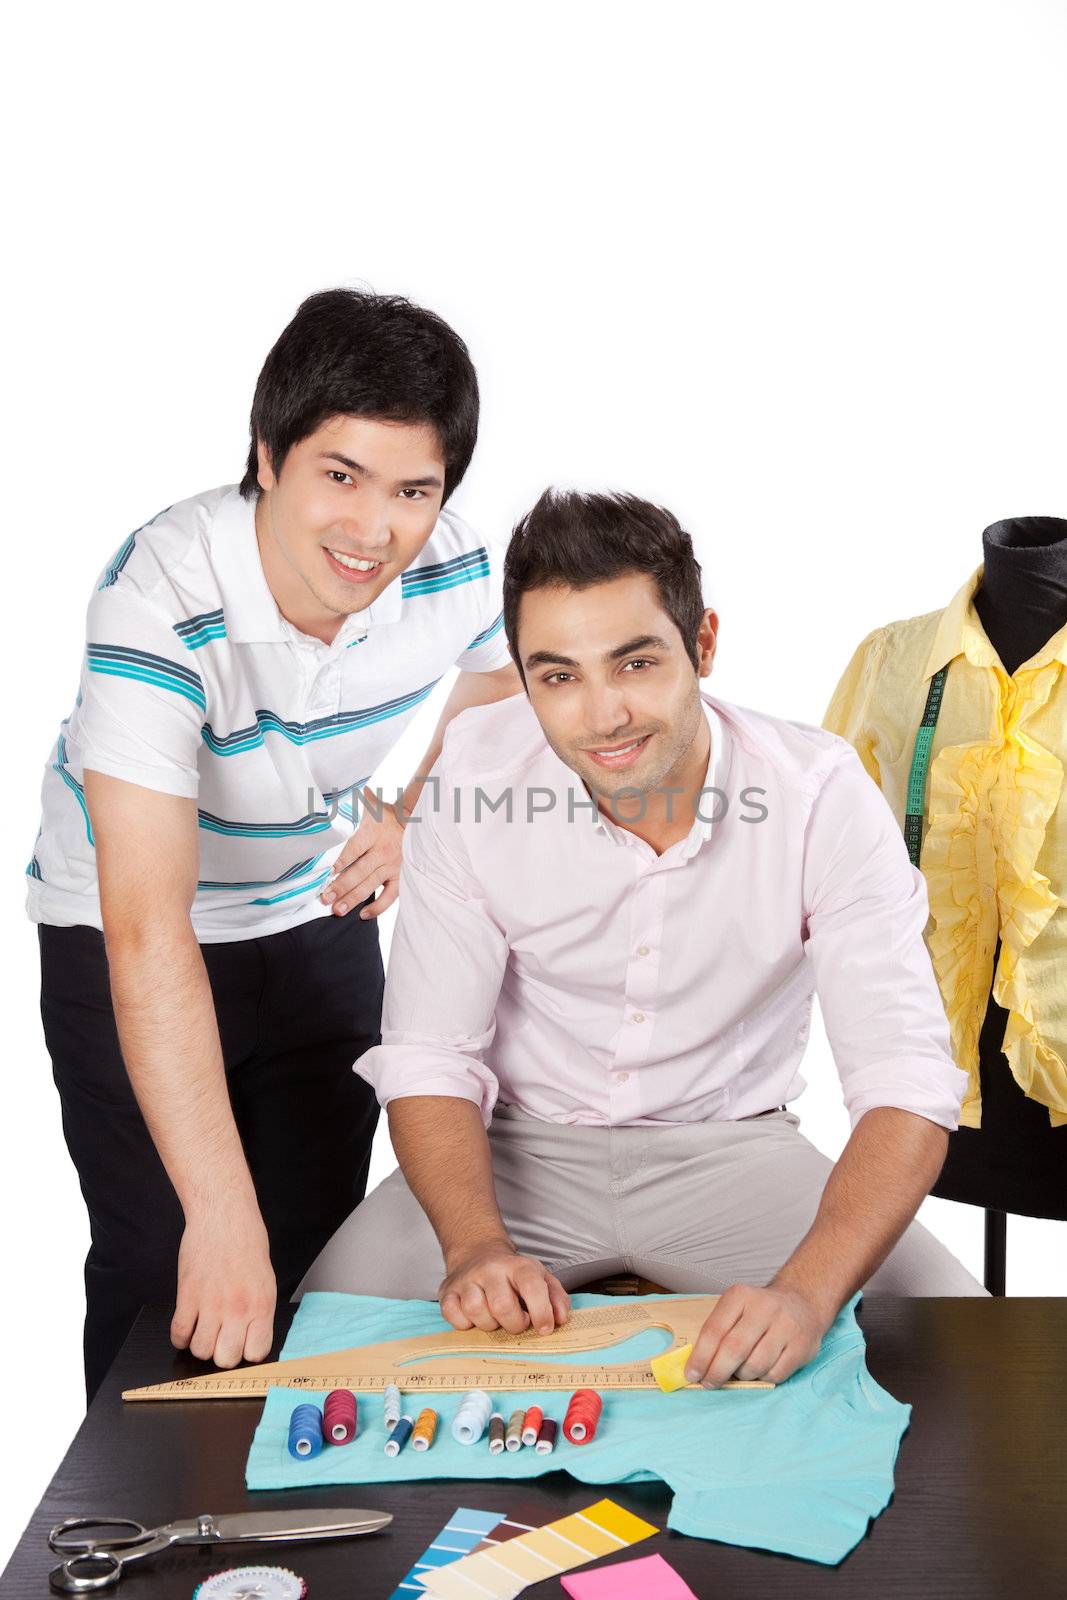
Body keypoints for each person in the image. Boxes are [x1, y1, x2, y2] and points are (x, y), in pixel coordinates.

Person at [301, 488, 985, 1389]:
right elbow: (431, 1055)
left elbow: (904, 1081)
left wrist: (806, 1296)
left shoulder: (818, 795)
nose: (602, 716)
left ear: (701, 644)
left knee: (968, 1352)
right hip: (513, 1152)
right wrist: (472, 1249)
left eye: (634, 664)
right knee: (317, 1342)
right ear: (521, 673)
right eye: (558, 676)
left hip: (733, 1155)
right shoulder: (476, 770)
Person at [28, 288, 522, 1399]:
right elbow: (147, 923)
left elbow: (494, 680)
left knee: (312, 1266)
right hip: (137, 930)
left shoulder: (450, 566)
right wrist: (217, 1208)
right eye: (338, 476)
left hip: (313, 909)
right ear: (267, 455)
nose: (371, 529)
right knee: (176, 1269)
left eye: (410, 490)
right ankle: (132, 1535)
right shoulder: (158, 593)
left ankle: (281, 1551)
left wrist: (411, 814)